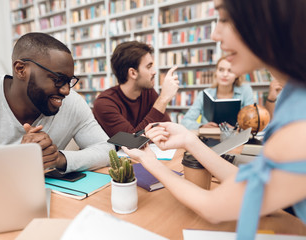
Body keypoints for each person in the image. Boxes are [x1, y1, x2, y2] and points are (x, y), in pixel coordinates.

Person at [122, 0, 306, 239]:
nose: (215, 33)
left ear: (265, 18)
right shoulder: (293, 94)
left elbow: (213, 208)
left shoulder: (298, 126)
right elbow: (251, 186)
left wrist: (149, 161)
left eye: (224, 18)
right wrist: (190, 140)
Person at [0, 32, 113, 173]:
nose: (66, 91)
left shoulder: (73, 103)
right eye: (58, 80)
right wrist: (21, 158)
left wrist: (58, 159)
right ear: (21, 70)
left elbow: (107, 150)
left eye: (69, 81)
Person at [92, 41, 179, 137]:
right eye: (149, 67)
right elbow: (132, 142)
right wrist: (163, 99)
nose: (154, 72)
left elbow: (167, 131)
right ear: (133, 73)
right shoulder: (104, 104)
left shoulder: (148, 93)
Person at [181, 56, 254, 130]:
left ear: (237, 75)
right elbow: (185, 121)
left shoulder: (246, 91)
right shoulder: (204, 94)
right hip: (209, 138)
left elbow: (252, 122)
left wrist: (237, 128)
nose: (225, 74)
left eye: (230, 71)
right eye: (221, 70)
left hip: (236, 138)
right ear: (216, 72)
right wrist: (202, 126)